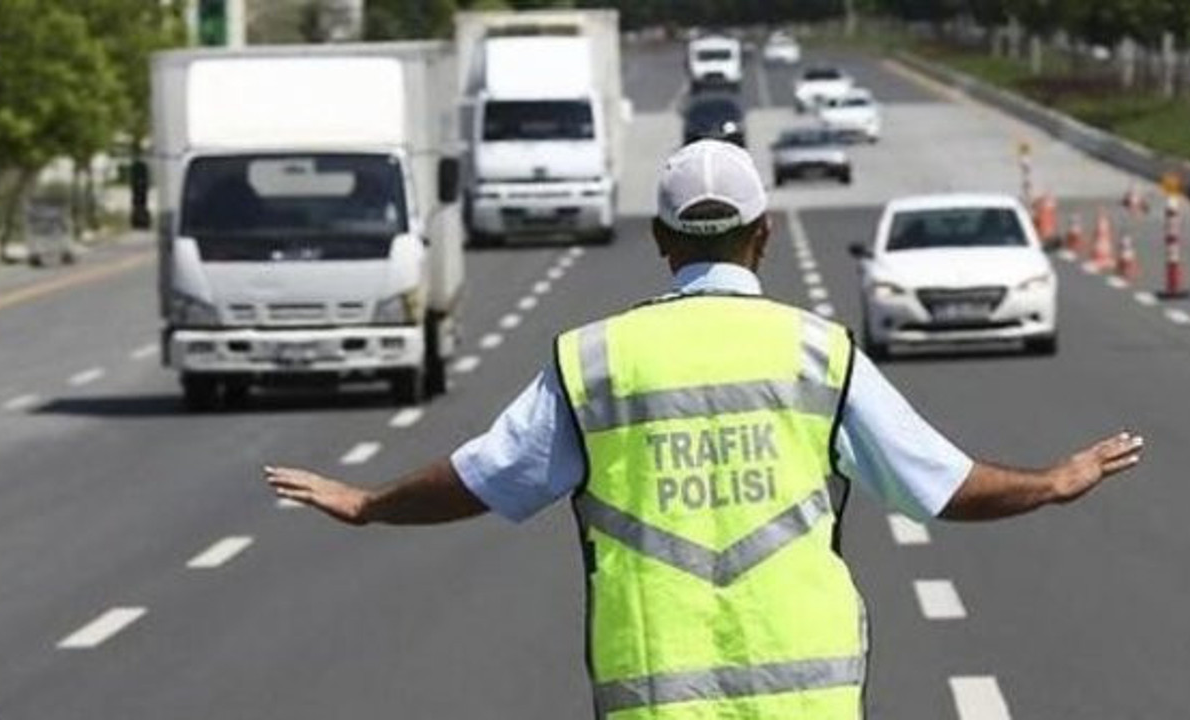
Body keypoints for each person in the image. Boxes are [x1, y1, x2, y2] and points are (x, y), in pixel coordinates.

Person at [265, 140, 1144, 719]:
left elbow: (486, 477)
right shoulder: (817, 353)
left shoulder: (597, 360)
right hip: (812, 697)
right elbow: (941, 486)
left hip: (656, 696)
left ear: (660, 239)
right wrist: (1052, 482)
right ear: (763, 235)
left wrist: (370, 502)